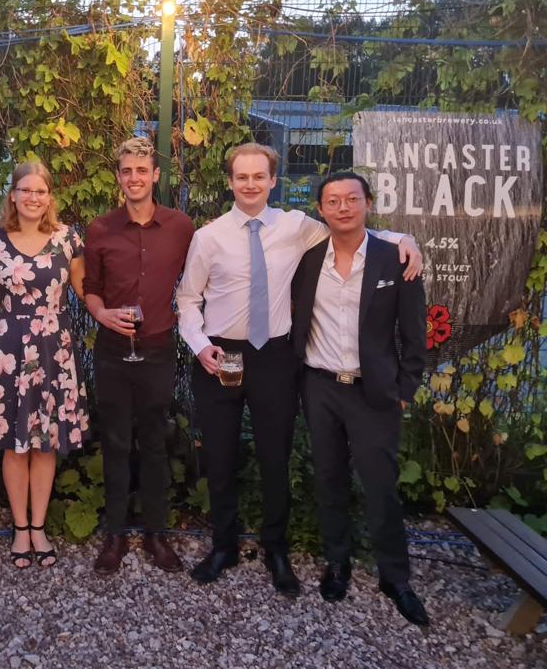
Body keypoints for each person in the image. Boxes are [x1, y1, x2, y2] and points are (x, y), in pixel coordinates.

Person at [175, 142, 423, 596]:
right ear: (230, 182)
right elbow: (188, 300)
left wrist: (401, 239)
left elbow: (349, 228)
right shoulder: (208, 236)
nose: (250, 184)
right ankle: (223, 545)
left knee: (274, 457)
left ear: (273, 180)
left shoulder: (296, 227)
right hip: (223, 356)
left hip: (274, 356)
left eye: (259, 176)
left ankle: (275, 547)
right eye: (241, 177)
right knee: (221, 456)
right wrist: (200, 345)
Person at [290, 172, 429, 625]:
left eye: (352, 199)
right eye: (333, 201)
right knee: (328, 479)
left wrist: (404, 390)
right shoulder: (309, 259)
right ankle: (338, 562)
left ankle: (396, 577)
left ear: (368, 203)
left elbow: (413, 333)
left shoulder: (394, 258)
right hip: (320, 386)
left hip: (374, 392)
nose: (343, 207)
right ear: (321, 209)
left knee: (380, 486)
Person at [83, 137, 195, 575]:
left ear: (155, 176)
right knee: (113, 441)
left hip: (157, 349)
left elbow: (207, 272)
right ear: (119, 177)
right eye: (127, 171)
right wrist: (102, 314)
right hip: (112, 349)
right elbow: (91, 289)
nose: (134, 178)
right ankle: (114, 534)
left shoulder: (181, 227)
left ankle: (156, 534)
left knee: (154, 441)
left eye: (141, 170)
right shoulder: (100, 229)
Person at [0, 161, 88, 568]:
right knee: (16, 445)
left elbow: (86, 292)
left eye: (40, 191)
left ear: (49, 197)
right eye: (26, 190)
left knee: (46, 442)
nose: (33, 198)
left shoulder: (68, 239)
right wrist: (11, 311)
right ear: (13, 195)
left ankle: (39, 526)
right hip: (10, 352)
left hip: (55, 351)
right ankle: (20, 529)